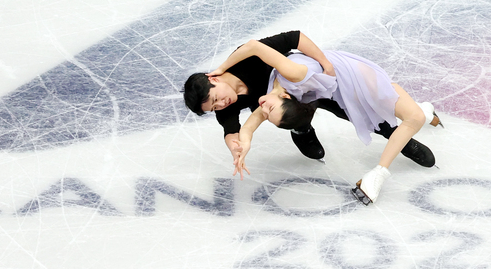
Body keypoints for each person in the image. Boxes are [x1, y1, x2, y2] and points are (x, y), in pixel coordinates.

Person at [228, 41, 441, 205]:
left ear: (286, 97)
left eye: (268, 109)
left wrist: (220, 69)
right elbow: (250, 124)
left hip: (357, 76)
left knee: (413, 117)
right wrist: (245, 143)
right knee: (408, 114)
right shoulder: (275, 97)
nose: (261, 107)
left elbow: (254, 46)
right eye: (267, 113)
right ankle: (422, 109)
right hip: (336, 86)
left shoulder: (292, 74)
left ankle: (379, 173)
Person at [181, 31, 434, 168]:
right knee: (290, 117)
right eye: (213, 107)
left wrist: (325, 64)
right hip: (283, 101)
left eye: (216, 99)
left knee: (351, 110)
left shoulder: (243, 59)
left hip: (306, 80)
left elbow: (295, 38)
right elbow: (231, 129)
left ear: (213, 78)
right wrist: (236, 148)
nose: (220, 105)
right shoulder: (224, 106)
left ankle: (398, 138)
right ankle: (303, 131)